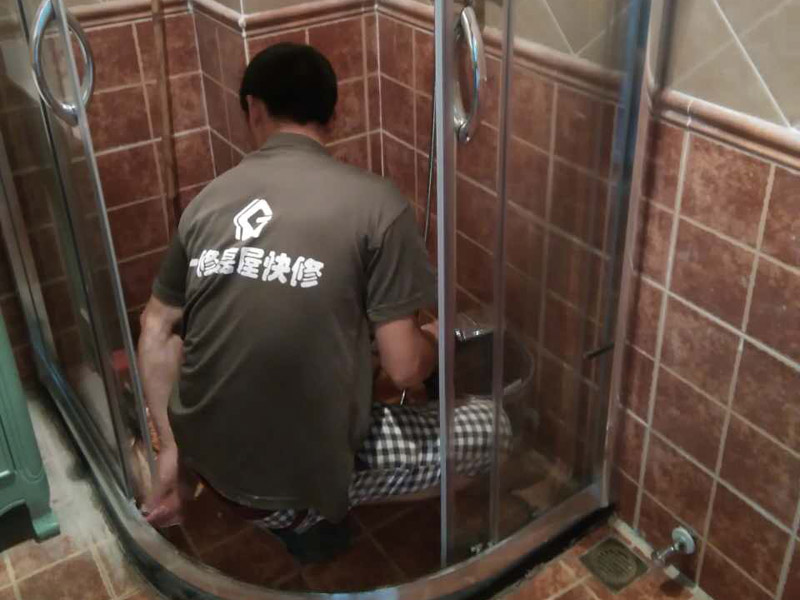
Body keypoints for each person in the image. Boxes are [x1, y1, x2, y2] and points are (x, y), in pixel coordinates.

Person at [138, 43, 509, 562]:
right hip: (282, 488)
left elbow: (156, 328)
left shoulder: (207, 202)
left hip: (205, 461)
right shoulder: (377, 203)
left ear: (254, 109)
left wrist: (171, 452)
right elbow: (405, 368)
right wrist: (436, 341)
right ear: (334, 116)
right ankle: (309, 514)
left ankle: (294, 502)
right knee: (495, 429)